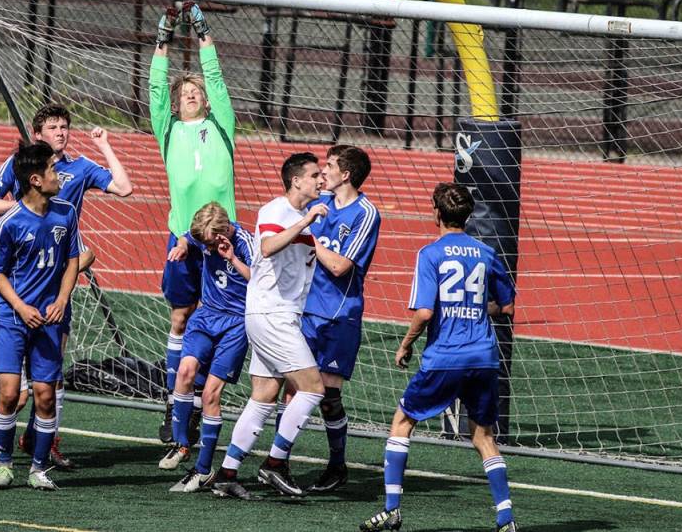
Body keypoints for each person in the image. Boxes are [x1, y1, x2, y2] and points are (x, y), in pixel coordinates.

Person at [0, 103, 132, 471]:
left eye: (65, 126)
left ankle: (44, 442)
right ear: (38, 132)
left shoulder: (78, 169)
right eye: (53, 126)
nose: (61, 132)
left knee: (50, 372)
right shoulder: (23, 166)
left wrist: (105, 145)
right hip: (21, 275)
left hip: (56, 279)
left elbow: (123, 187)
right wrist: (28, 210)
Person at [359, 182, 517, 532]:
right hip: (483, 357)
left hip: (446, 356)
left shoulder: (430, 254)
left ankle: (391, 510)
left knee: (402, 421)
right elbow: (505, 306)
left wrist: (405, 344)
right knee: (483, 436)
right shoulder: (486, 253)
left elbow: (425, 313)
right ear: (468, 215)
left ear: (436, 214)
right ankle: (506, 519)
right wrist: (475, 306)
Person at [210, 152, 327, 500]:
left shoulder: (298, 216)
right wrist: (305, 222)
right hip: (273, 314)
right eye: (314, 175)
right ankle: (275, 464)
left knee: (263, 396)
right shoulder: (278, 210)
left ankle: (227, 473)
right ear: (296, 181)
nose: (320, 180)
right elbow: (268, 246)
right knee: (313, 388)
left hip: (273, 313)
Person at [150, 1, 237, 443]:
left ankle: (208, 396)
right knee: (182, 314)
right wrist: (165, 30)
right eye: (184, 92)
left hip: (224, 239)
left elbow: (216, 77)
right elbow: (155, 89)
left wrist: (201, 28)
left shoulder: (222, 123)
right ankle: (175, 402)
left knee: (224, 317)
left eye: (196, 91)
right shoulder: (167, 128)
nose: (191, 94)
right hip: (183, 237)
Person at [0, 141, 82, 491]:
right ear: (36, 180)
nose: (60, 177)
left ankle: (39, 469)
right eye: (54, 171)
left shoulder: (66, 213)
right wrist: (22, 307)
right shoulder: (9, 222)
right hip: (13, 319)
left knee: (45, 394)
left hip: (49, 321)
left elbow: (73, 260)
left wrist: (62, 299)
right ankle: (5, 464)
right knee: (10, 394)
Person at [298, 144, 379, 493]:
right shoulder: (319, 205)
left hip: (338, 316)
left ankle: (336, 464)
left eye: (329, 166)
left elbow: (340, 265)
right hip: (304, 310)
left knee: (329, 396)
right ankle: (278, 462)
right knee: (293, 391)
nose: (323, 171)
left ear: (345, 174)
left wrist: (308, 237)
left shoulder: (365, 213)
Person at [158, 202, 254, 494]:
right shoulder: (202, 236)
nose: (208, 247)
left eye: (210, 241)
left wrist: (232, 258)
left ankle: (203, 469)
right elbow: (188, 234)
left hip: (236, 323)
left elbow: (260, 280)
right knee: (185, 373)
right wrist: (186, 244)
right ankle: (182, 445)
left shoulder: (246, 241)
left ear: (224, 230)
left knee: (211, 394)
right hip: (206, 315)